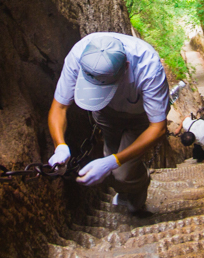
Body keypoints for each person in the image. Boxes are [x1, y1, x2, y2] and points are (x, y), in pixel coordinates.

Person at [47, 32, 170, 216]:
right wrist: (60, 146)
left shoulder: (148, 67)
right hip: (106, 113)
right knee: (109, 156)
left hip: (141, 118)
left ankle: (138, 188)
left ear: (126, 67)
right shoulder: (80, 55)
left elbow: (158, 127)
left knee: (121, 171)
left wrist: (114, 161)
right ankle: (124, 188)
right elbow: (59, 107)